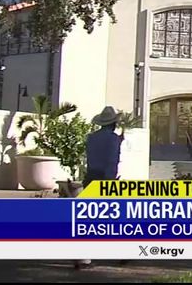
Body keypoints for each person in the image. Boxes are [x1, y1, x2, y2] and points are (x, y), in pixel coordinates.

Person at [75, 106, 125, 270]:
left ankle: (83, 257)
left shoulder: (92, 138)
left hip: (90, 177)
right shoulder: (113, 140)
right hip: (105, 178)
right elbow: (111, 162)